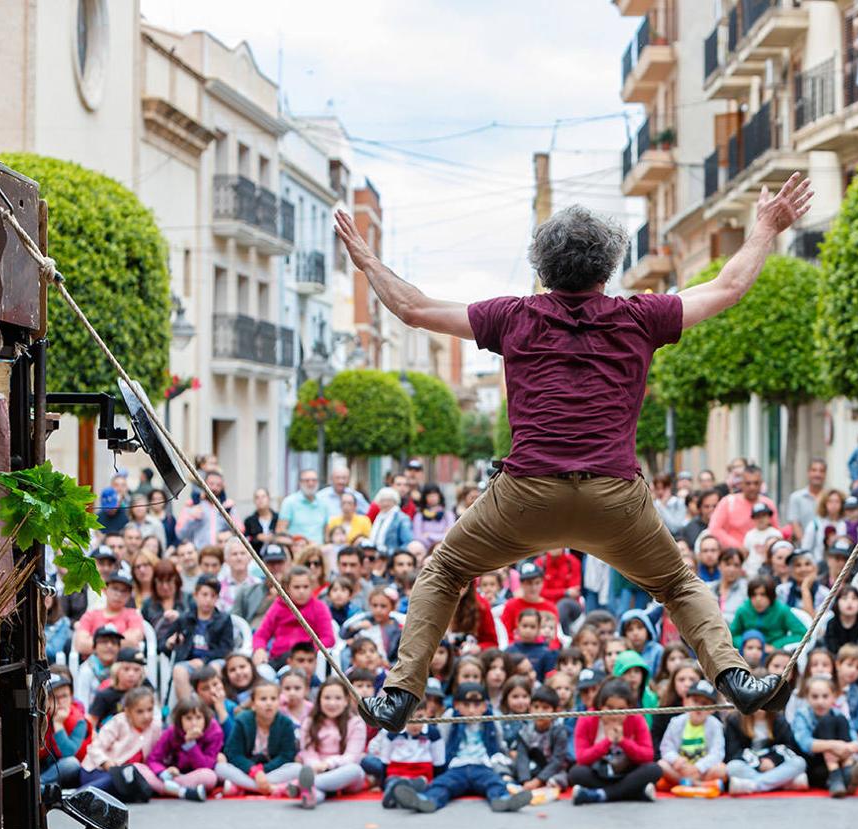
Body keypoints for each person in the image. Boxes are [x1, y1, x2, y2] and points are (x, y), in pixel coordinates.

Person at [338, 180, 810, 731]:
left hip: (525, 495)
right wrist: (765, 227)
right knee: (679, 586)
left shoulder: (513, 316)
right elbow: (729, 287)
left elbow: (413, 308)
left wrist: (367, 261)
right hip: (614, 498)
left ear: (542, 268)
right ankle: (734, 678)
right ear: (608, 268)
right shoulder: (641, 315)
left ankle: (400, 693)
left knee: (444, 571)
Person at [391, 682, 533, 813]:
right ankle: (427, 800)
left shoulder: (491, 719)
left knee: (494, 782)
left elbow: (499, 742)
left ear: (484, 706)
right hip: (457, 765)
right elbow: (441, 740)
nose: (471, 710)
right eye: (466, 704)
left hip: (482, 765)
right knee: (443, 784)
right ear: (457, 705)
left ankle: (502, 800)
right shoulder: (450, 717)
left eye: (477, 705)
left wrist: (506, 759)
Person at [569, 679, 663, 804]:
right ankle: (635, 793)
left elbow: (648, 755)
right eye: (610, 708)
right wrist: (607, 741)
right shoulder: (587, 718)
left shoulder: (636, 718)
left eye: (621, 709)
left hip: (628, 772)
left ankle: (600, 794)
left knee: (654, 769)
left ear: (629, 707)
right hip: (599, 773)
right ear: (600, 705)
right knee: (576, 773)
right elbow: (581, 758)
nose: (614, 714)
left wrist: (623, 741)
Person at [283, 679, 368, 807]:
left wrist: (328, 764)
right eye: (327, 698)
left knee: (355, 770)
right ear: (319, 700)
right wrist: (316, 765)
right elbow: (307, 752)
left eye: (338, 698)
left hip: (343, 773)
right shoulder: (309, 722)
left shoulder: (356, 723)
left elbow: (352, 756)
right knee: (295, 768)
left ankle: (299, 785)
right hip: (317, 770)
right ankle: (310, 796)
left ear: (346, 701)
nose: (332, 703)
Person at [216, 682, 301, 795]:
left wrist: (261, 771)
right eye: (263, 699)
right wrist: (254, 771)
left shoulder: (286, 723)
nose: (269, 703)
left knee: (297, 768)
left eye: (273, 699)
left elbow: (286, 756)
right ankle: (272, 788)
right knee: (220, 768)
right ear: (253, 704)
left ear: (278, 702)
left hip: (272, 771)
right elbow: (233, 753)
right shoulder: (242, 720)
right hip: (246, 770)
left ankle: (244, 787)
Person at [78, 686, 161, 795]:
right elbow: (94, 748)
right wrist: (105, 762)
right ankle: (80, 795)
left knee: (130, 783)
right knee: (116, 781)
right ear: (128, 711)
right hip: (97, 770)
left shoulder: (155, 727)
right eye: (139, 712)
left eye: (150, 710)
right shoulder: (119, 722)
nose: (146, 716)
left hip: (127, 774)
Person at [137, 696, 222, 801]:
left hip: (194, 776)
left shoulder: (214, 732)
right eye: (188, 718)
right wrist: (163, 772)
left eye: (198, 717)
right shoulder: (171, 732)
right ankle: (183, 792)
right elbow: (153, 759)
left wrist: (191, 744)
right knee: (138, 768)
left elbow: (205, 766)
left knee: (210, 776)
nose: (194, 723)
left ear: (205, 718)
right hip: (170, 776)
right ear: (180, 720)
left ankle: (169, 789)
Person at [252, 566, 336, 670]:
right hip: (279, 659)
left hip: (307, 660)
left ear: (312, 587)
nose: (301, 591)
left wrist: (306, 651)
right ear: (287, 588)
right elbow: (261, 634)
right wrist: (259, 649)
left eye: (305, 587)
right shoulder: (278, 606)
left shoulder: (319, 608)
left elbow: (328, 638)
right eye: (297, 587)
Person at [166, 574, 234, 701]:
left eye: (213, 596)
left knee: (215, 669)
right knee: (179, 670)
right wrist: (169, 643)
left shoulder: (224, 619)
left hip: (213, 661)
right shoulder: (185, 618)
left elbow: (226, 649)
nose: (208, 599)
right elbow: (163, 643)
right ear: (195, 595)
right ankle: (188, 707)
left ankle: (216, 705)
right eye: (204, 594)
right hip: (189, 662)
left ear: (217, 598)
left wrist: (204, 660)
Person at [657, 678, 727, 790]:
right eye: (695, 701)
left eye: (704, 703)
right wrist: (676, 760)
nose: (699, 706)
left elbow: (717, 753)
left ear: (713, 709)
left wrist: (698, 767)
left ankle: (685, 783)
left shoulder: (715, 725)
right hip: (681, 768)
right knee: (662, 765)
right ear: (685, 702)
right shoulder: (676, 722)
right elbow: (666, 747)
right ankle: (700, 785)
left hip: (703, 770)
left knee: (722, 769)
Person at [511, 686, 571, 795]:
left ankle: (544, 789)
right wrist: (525, 780)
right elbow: (522, 756)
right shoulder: (525, 731)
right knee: (514, 766)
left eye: (545, 708)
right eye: (536, 707)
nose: (540, 712)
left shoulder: (559, 731)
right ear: (530, 709)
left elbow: (557, 761)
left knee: (560, 779)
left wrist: (538, 781)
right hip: (534, 767)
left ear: (555, 711)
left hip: (553, 770)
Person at [73, 573, 144, 658]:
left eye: (124, 591)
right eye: (115, 588)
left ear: (129, 595)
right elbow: (81, 644)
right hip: (92, 664)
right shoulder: (90, 615)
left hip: (122, 663)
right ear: (105, 590)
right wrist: (117, 644)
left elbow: (133, 640)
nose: (119, 594)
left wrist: (97, 644)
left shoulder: (133, 615)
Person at [41, 671, 90, 789]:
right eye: (54, 697)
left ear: (71, 696)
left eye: (64, 696)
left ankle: (39, 785)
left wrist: (58, 724)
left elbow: (68, 752)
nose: (60, 702)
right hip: (42, 763)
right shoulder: (40, 716)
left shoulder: (78, 720)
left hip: (64, 770)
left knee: (71, 763)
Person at [710, 466, 779, 550]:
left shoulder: (768, 504)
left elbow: (775, 531)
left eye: (756, 483)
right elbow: (714, 529)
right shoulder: (728, 502)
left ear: (761, 483)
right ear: (741, 483)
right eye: (748, 483)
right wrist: (738, 547)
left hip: (762, 554)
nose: (752, 487)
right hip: (735, 554)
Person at [729, 576, 807, 649]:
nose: (758, 599)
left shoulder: (782, 610)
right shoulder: (743, 610)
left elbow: (803, 634)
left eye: (763, 595)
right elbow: (732, 635)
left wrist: (776, 645)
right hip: (746, 652)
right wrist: (745, 644)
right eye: (754, 595)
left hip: (773, 652)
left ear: (771, 596)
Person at [176, 470, 240, 550]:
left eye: (218, 485)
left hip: (222, 552)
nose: (214, 488)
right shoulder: (192, 505)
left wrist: (229, 514)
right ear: (204, 484)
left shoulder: (228, 506)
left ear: (223, 487)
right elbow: (180, 534)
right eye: (211, 484)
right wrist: (191, 518)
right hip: (200, 552)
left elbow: (240, 532)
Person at [233, 544, 288, 630]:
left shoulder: (296, 590)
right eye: (271, 563)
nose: (276, 567)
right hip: (253, 632)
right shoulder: (247, 591)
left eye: (279, 562)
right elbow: (235, 621)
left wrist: (279, 594)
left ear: (286, 564)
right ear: (263, 565)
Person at [277, 469, 329, 546]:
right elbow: (280, 531)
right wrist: (297, 542)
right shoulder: (289, 502)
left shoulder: (323, 503)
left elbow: (326, 533)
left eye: (314, 480)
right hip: (297, 549)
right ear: (300, 483)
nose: (311, 483)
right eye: (307, 480)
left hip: (319, 550)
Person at [785, 459, 826, 540]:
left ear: (825, 474)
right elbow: (795, 524)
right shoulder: (796, 497)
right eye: (814, 470)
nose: (817, 474)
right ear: (808, 472)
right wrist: (805, 545)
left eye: (821, 471)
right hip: (802, 545)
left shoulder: (829, 498)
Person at [368, 488, 414, 556]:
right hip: (374, 556)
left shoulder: (402, 519)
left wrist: (395, 555)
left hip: (391, 557)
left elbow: (408, 542)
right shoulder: (379, 517)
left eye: (389, 500)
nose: (385, 503)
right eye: (382, 500)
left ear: (395, 502)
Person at [412, 484, 456, 549]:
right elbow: (417, 536)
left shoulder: (448, 515)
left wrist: (430, 535)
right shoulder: (419, 516)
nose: (432, 498)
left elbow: (450, 536)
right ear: (425, 498)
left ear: (439, 496)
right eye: (429, 495)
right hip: (424, 547)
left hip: (442, 547)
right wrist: (441, 536)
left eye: (435, 495)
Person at [711, 548, 749, 623]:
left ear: (741, 568)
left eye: (736, 565)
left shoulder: (746, 589)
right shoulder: (709, 588)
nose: (732, 569)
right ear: (719, 565)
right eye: (727, 564)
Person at [243, 488, 279, 556]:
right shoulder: (249, 521)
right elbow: (245, 539)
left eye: (263, 497)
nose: (260, 500)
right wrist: (257, 538)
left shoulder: (278, 518)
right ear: (254, 501)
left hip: (276, 556)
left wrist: (273, 538)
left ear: (269, 499)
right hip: (256, 556)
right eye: (257, 497)